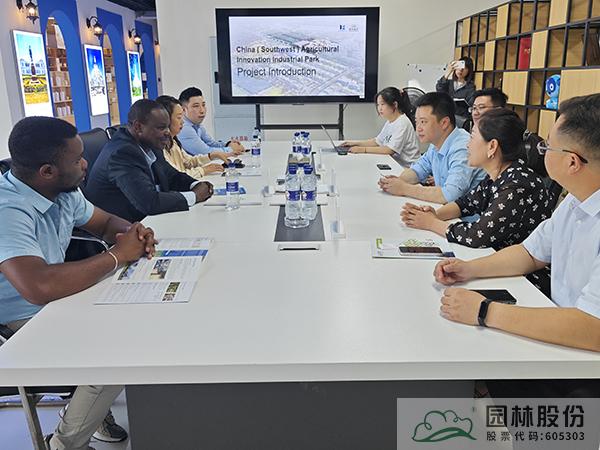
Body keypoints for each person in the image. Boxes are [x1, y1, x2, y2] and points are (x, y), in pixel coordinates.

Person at [0, 116, 158, 450]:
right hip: (20, 319)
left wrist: (132, 232)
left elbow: (104, 223)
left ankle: (88, 411)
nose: (86, 164)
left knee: (144, 322)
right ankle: (64, 444)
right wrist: (117, 255)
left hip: (58, 301)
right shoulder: (8, 210)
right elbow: (37, 287)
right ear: (47, 171)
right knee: (115, 351)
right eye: (77, 160)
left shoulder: (62, 190)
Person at [433, 94, 600, 357]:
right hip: (559, 334)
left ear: (572, 162)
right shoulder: (575, 201)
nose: (541, 151)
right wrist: (468, 269)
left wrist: (485, 311)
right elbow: (530, 253)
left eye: (547, 147)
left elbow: (592, 327)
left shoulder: (521, 182)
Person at [401, 108, 552, 250]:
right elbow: (465, 204)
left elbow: (477, 236)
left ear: (492, 146)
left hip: (516, 267)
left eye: (472, 137)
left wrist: (431, 223)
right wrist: (434, 214)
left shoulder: (517, 185)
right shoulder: (498, 174)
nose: (468, 144)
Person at [84, 99, 214, 223]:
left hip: (145, 221)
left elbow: (171, 176)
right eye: (161, 128)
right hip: (120, 229)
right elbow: (149, 202)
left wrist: (196, 185)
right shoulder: (122, 153)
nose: (168, 133)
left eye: (167, 127)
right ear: (138, 127)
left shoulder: (149, 142)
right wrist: (195, 196)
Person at [378, 92, 485, 204]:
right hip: (444, 208)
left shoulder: (463, 147)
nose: (418, 128)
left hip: (464, 213)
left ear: (444, 123)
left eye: (423, 122)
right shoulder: (436, 143)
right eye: (417, 122)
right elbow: (418, 170)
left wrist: (404, 188)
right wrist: (396, 181)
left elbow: (450, 195)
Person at [339, 87, 420, 167]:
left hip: (407, 168)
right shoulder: (390, 121)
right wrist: (355, 143)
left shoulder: (402, 123)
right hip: (394, 163)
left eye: (382, 104)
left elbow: (389, 150)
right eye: (378, 105)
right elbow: (377, 141)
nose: (379, 108)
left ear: (395, 105)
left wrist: (363, 149)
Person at [156, 95, 229, 178]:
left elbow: (188, 162)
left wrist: (211, 156)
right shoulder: (160, 149)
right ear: (166, 120)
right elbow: (176, 176)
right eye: (179, 117)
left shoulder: (173, 142)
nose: (182, 122)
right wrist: (203, 170)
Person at [178, 87, 245, 156]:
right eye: (196, 106)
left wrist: (228, 144)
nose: (202, 110)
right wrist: (232, 149)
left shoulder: (197, 125)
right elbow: (205, 152)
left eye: (203, 105)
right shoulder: (184, 128)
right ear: (183, 110)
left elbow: (210, 143)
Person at [436, 56, 475, 127]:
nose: (461, 70)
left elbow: (470, 104)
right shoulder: (448, 83)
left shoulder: (470, 87)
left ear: (469, 71)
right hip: (446, 116)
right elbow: (439, 89)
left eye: (465, 68)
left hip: (460, 119)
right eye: (459, 66)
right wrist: (448, 72)